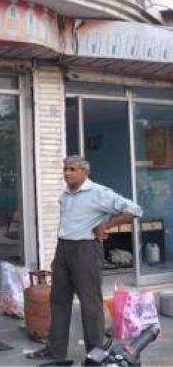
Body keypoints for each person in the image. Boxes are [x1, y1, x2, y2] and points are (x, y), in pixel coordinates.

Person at [26, 155, 143, 361]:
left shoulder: (98, 193)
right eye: (65, 169)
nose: (67, 173)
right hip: (64, 249)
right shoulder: (65, 195)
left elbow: (134, 210)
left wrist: (105, 226)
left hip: (86, 250)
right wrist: (57, 255)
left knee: (90, 303)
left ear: (84, 172)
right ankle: (55, 349)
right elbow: (66, 226)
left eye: (72, 169)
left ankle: (95, 354)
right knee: (58, 301)